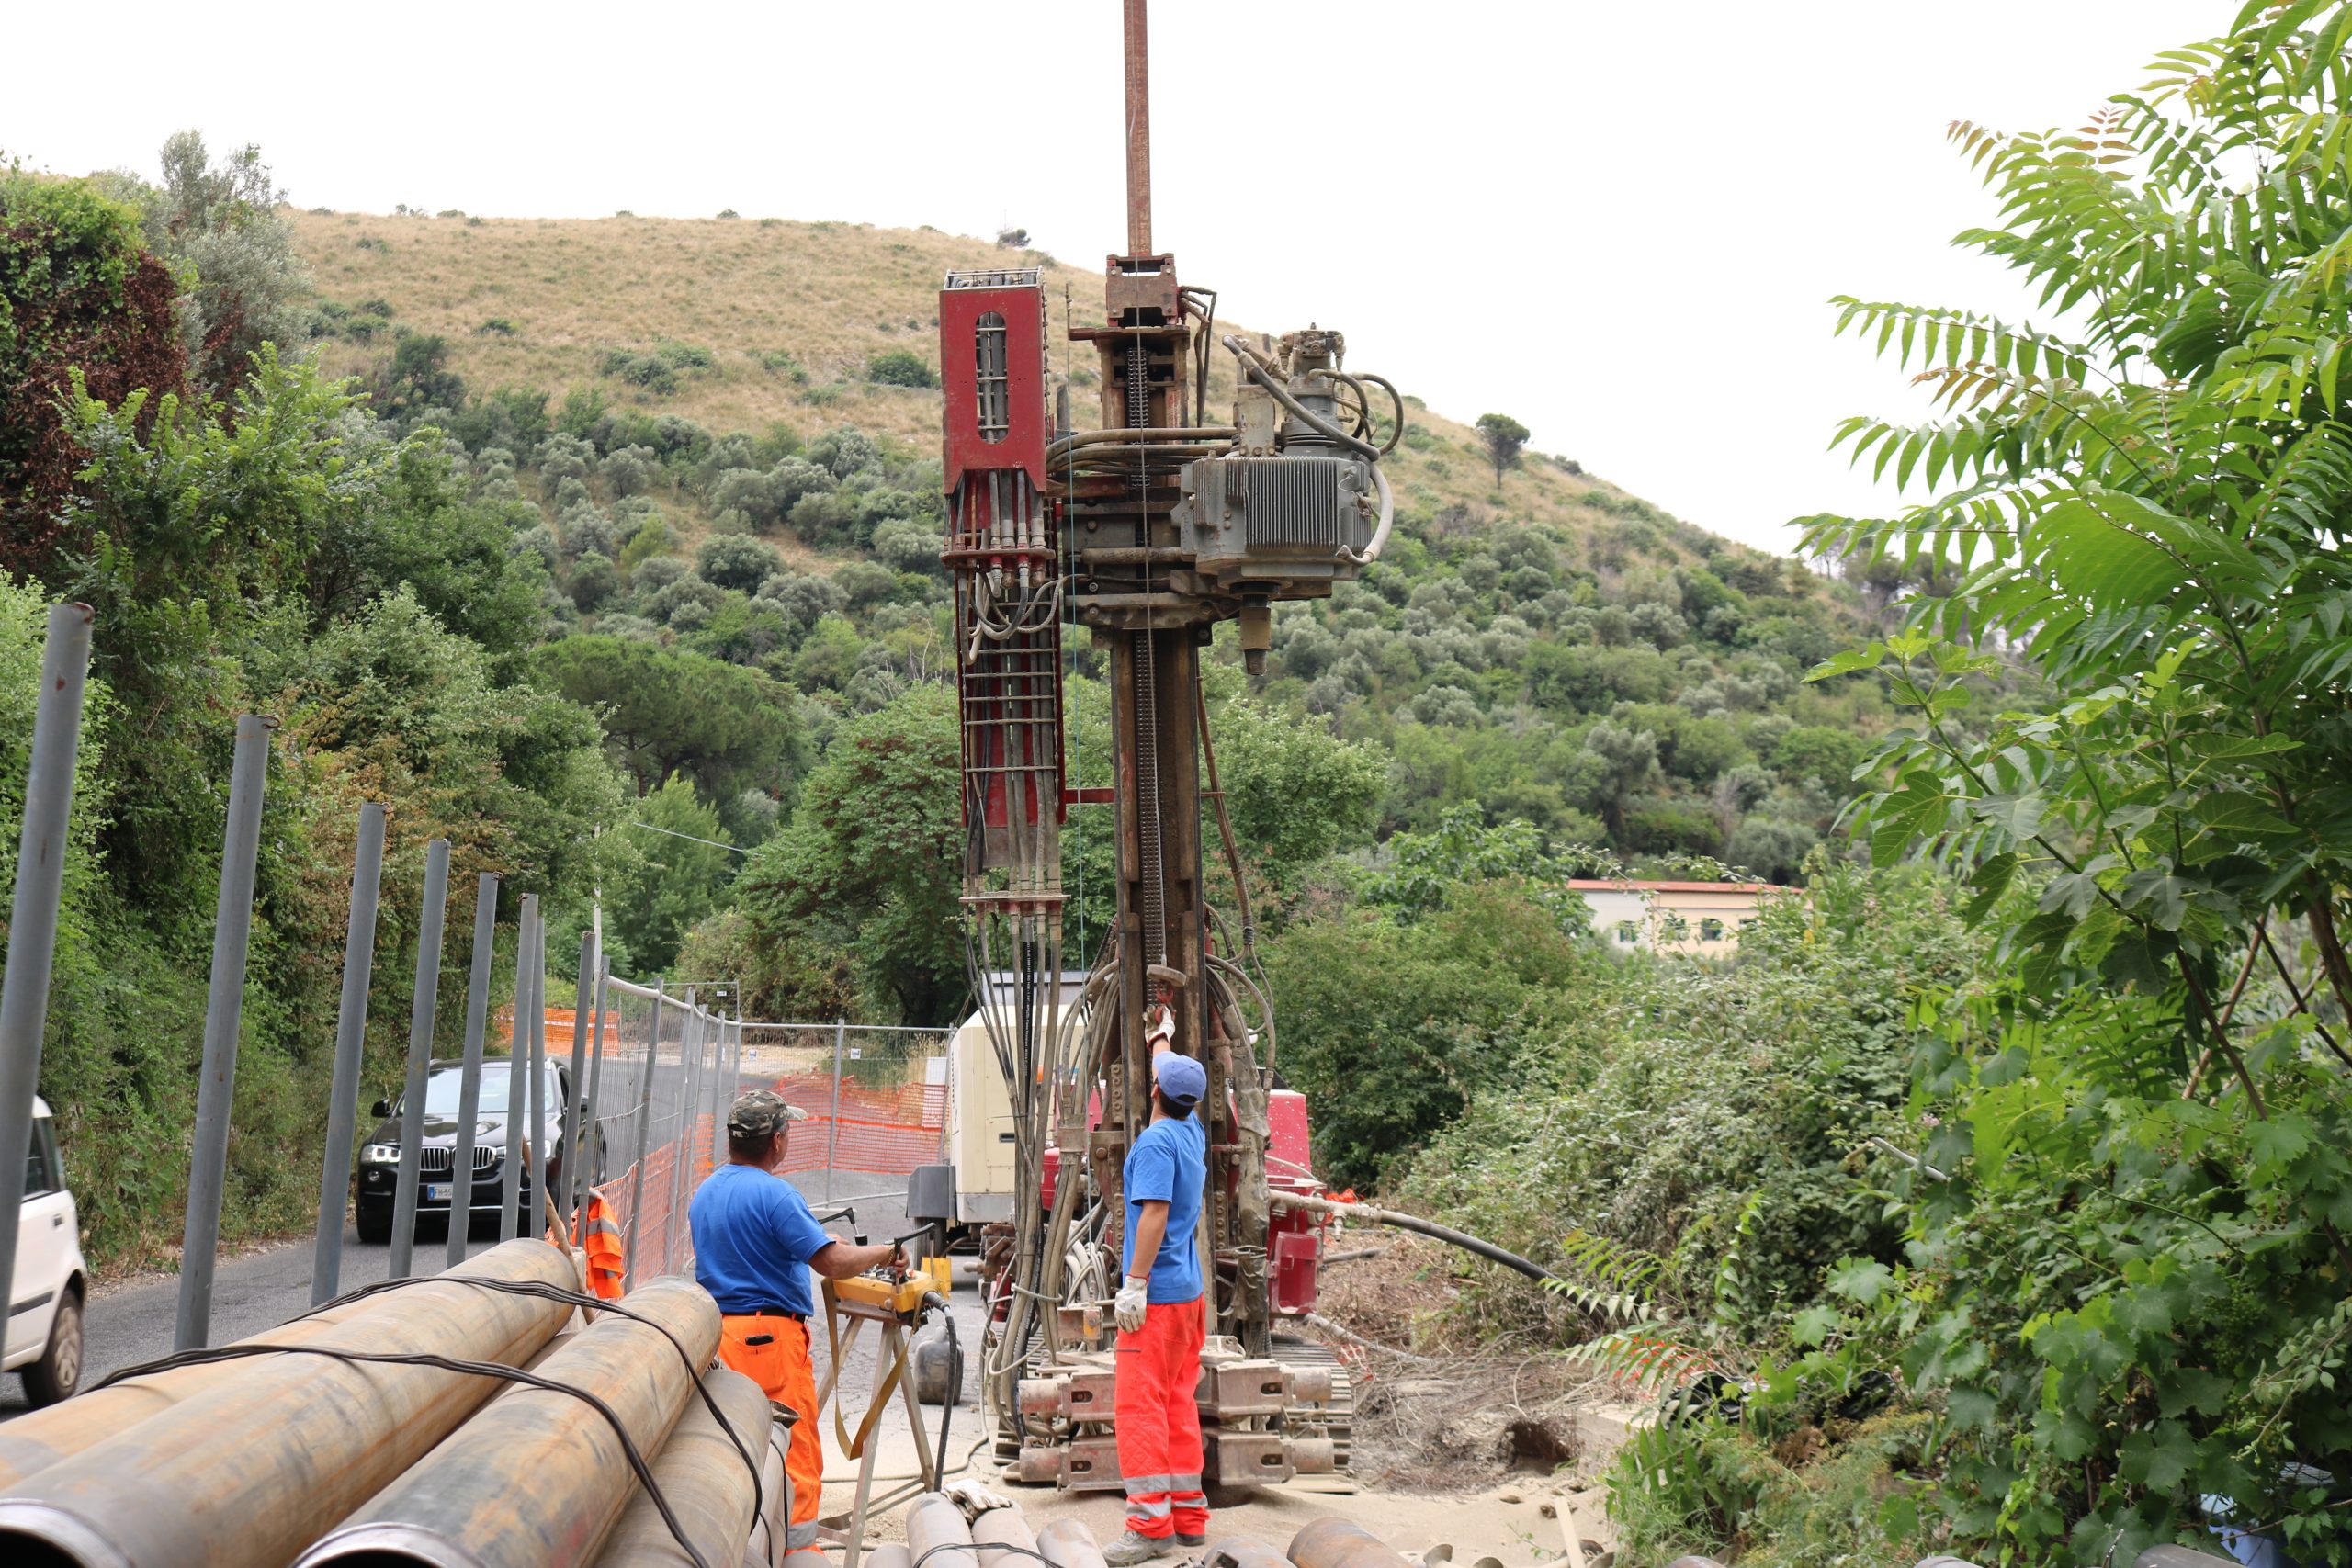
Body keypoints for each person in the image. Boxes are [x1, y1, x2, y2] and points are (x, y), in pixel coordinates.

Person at [689, 1089, 900, 1551]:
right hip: (770, 1342)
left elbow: (750, 1246)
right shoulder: (776, 1194)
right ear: (778, 1141)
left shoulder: (707, 1191)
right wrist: (887, 1252)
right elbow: (832, 1263)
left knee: (735, 1445)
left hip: (720, 1336)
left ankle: (739, 1545)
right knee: (793, 1450)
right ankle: (797, 1552)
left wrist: (810, 1240)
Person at [1104, 1044, 1213, 1564]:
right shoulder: (1192, 1132)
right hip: (1191, 1298)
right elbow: (1173, 1077)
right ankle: (1189, 1516)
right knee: (1178, 1404)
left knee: (1141, 1410)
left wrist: (1134, 1284)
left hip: (1158, 1303)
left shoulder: (1153, 1143)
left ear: (1153, 1092)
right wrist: (1160, 1039)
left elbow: (1152, 1215)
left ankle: (1149, 1525)